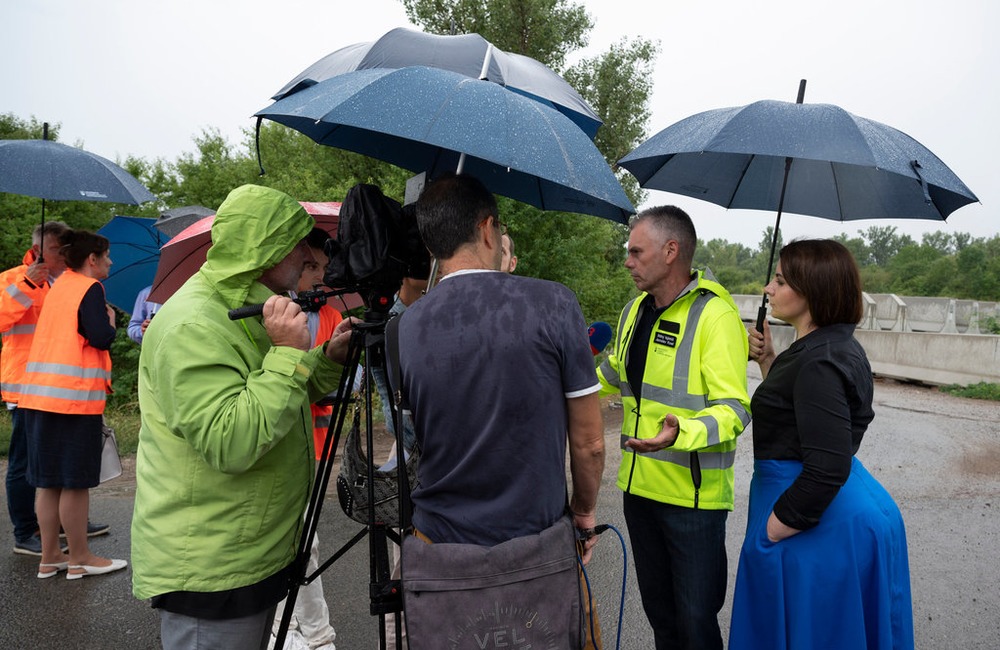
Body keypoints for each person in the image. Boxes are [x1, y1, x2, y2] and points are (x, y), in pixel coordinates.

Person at [130, 185, 355, 650]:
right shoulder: (195, 323)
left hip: (247, 549)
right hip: (212, 568)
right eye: (297, 244)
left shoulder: (249, 308)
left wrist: (326, 358)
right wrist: (290, 353)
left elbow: (270, 394)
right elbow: (232, 439)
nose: (308, 255)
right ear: (268, 247)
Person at [395, 173, 605, 642]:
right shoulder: (554, 304)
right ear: (488, 229)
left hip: (442, 553)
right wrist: (585, 514)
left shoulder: (405, 329)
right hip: (536, 546)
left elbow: (418, 434)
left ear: (433, 246)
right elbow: (589, 442)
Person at [730, 239, 914, 649]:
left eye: (779, 280)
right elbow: (802, 414)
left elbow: (827, 466)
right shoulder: (832, 346)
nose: (768, 289)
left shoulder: (818, 361)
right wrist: (768, 362)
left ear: (811, 289)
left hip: (813, 516)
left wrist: (773, 530)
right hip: (845, 506)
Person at [596, 205, 751, 650]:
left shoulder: (715, 316)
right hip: (639, 492)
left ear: (670, 250)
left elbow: (736, 409)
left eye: (635, 251)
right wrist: (566, 381)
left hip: (692, 502)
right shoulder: (634, 311)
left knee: (695, 625)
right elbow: (614, 371)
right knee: (662, 622)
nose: (627, 261)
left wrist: (680, 432)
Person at [18, 229, 125, 580]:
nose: (110, 262)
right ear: (91, 259)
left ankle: (51, 557)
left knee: (48, 483)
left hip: (37, 397)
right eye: (106, 256)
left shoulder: (59, 286)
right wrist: (110, 322)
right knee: (75, 482)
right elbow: (98, 336)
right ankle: (81, 557)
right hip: (73, 401)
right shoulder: (88, 287)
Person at [1, 221, 109, 558]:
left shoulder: (64, 283)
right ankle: (24, 531)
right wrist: (28, 283)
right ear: (38, 249)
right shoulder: (14, 278)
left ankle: (64, 526)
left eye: (65, 251)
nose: (61, 256)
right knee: (26, 466)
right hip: (25, 384)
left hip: (61, 386)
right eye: (54, 250)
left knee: (53, 470)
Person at [268, 227, 341, 650]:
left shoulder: (328, 315)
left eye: (321, 267)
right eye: (309, 265)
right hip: (280, 442)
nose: (315, 275)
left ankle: (310, 630)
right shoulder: (273, 315)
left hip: (314, 444)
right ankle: (295, 629)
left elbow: (348, 376)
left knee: (303, 540)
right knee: (297, 542)